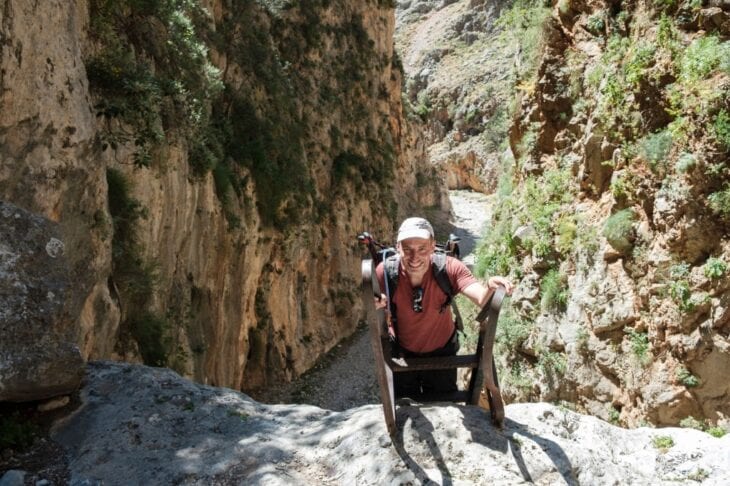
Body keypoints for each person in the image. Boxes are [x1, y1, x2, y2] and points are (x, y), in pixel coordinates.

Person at [374, 217, 513, 397]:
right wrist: (378, 308)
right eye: (408, 249)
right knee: (406, 405)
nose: (414, 257)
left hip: (442, 352)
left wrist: (490, 287)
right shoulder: (384, 272)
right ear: (398, 247)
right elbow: (380, 316)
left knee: (442, 400)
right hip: (401, 352)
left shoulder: (449, 268)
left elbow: (481, 297)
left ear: (433, 246)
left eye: (422, 249)